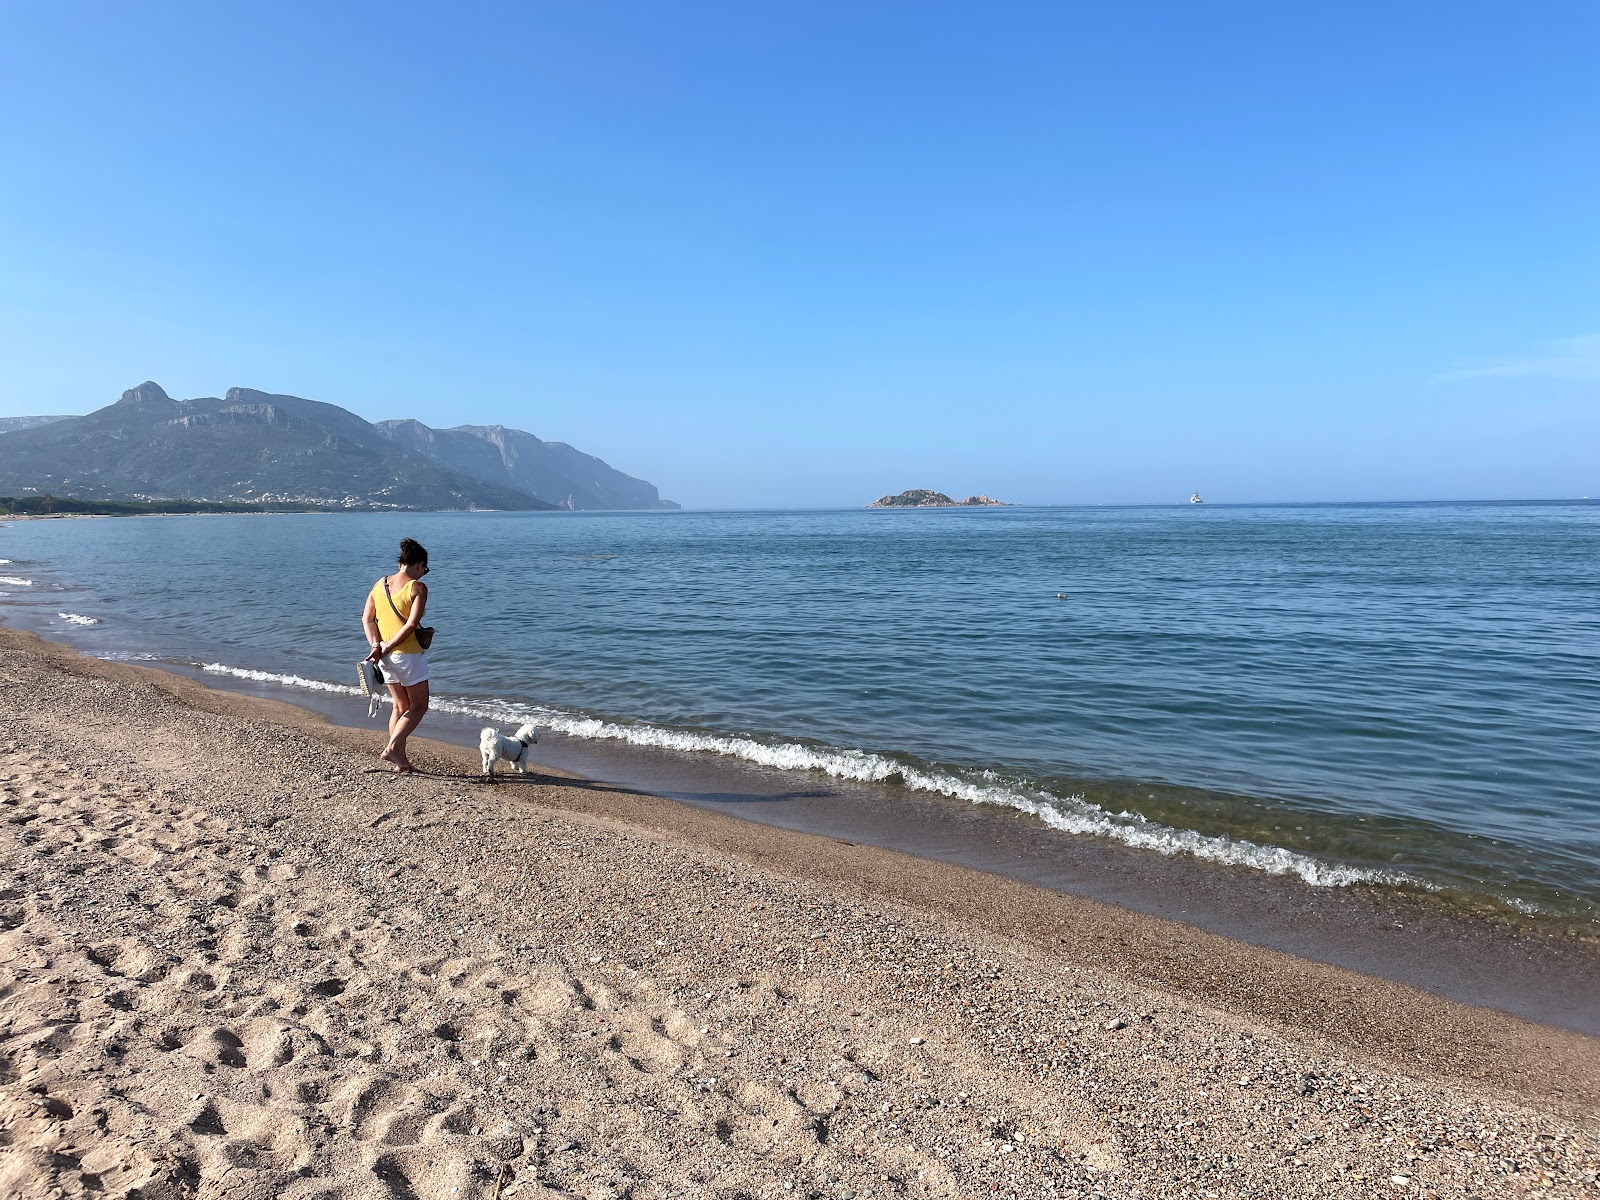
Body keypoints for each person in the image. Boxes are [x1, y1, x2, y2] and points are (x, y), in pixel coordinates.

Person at [361, 538, 431, 773]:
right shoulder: (417, 588)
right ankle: (392, 748)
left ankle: (401, 760)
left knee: (400, 707)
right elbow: (412, 625)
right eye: (425, 569)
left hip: (384, 657)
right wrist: (389, 646)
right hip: (408, 655)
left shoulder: (380, 584)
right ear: (419, 564)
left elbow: (367, 619)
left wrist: (376, 646)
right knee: (420, 706)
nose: (424, 574)